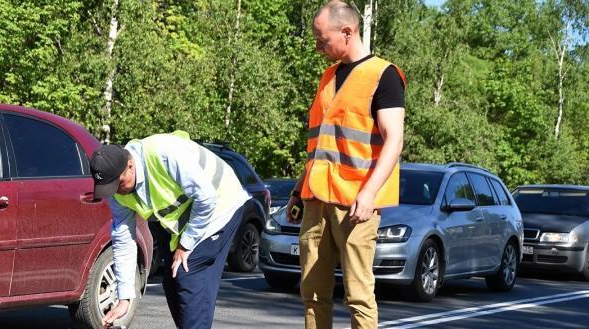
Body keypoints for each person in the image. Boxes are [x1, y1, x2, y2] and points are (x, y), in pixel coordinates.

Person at [286, 1, 406, 329]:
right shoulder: (328, 77)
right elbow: (321, 145)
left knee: (358, 295)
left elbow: (394, 141)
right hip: (316, 201)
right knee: (311, 293)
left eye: (322, 39)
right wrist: (298, 191)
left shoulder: (384, 75)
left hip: (355, 204)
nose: (317, 46)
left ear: (347, 32)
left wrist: (368, 195)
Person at [90, 131, 250, 329]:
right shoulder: (117, 189)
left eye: (118, 184)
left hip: (220, 204)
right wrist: (124, 298)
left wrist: (186, 244)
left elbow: (206, 199)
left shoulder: (165, 154)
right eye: (110, 188)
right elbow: (123, 239)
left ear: (130, 165)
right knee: (172, 283)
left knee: (187, 273)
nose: (116, 191)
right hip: (182, 221)